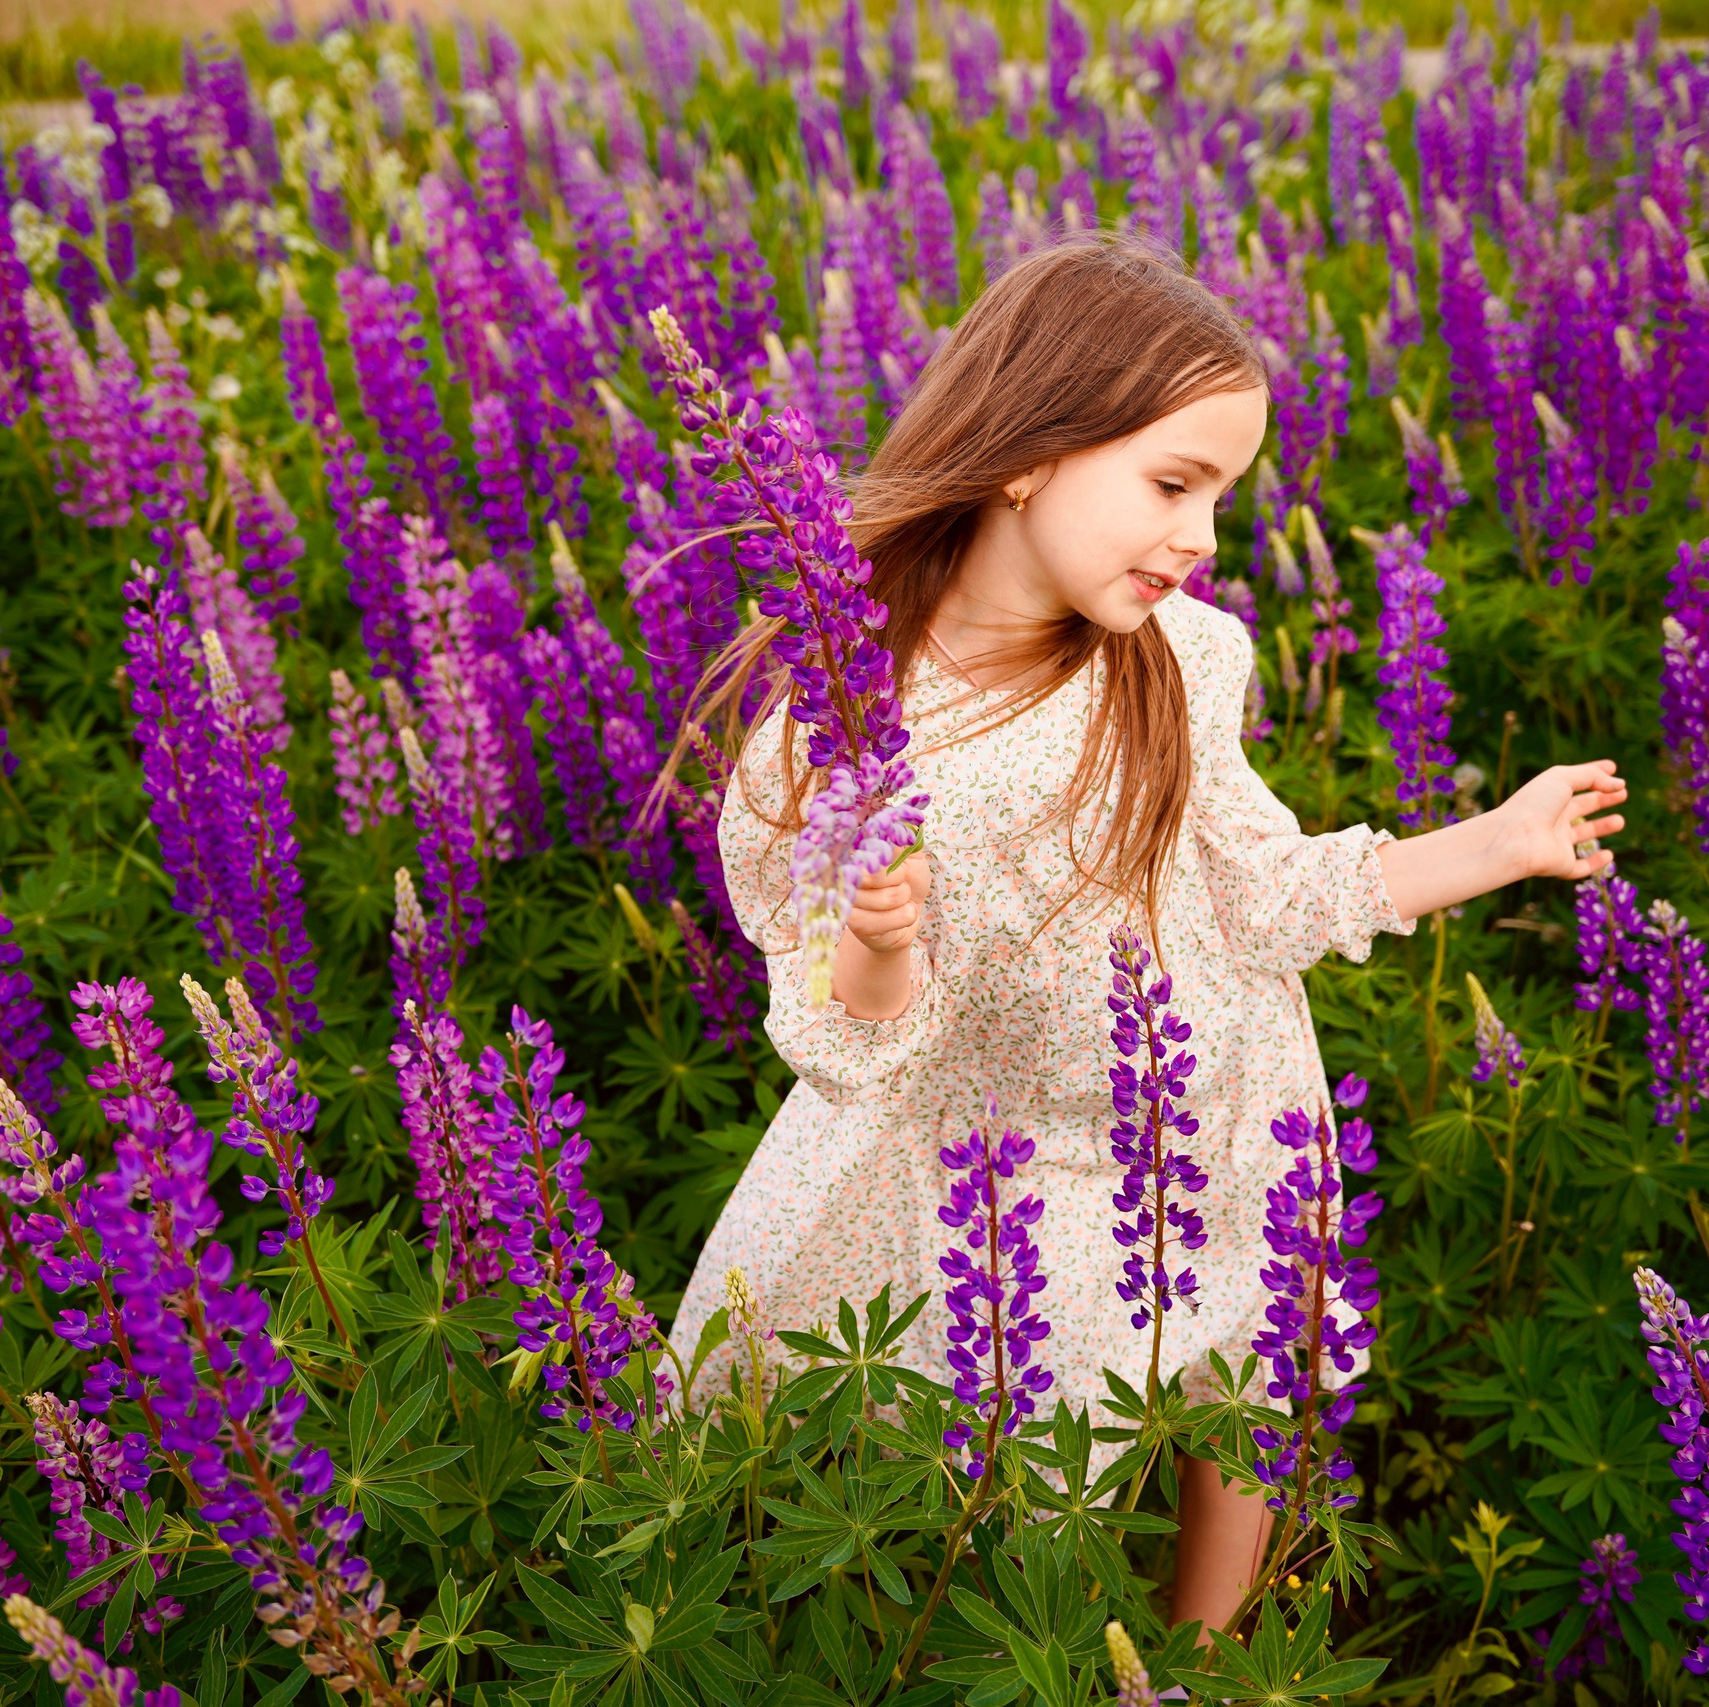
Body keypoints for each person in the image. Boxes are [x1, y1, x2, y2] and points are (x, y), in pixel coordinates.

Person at [666, 236, 1627, 1635]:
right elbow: (852, 1038)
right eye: (1174, 484)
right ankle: (1043, 1651)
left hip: (1228, 1111)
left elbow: (1258, 891)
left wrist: (1497, 846)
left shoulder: (1175, 661)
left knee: (1251, 1372)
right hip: (1020, 1171)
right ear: (1025, 452)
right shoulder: (839, 728)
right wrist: (879, 936)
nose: (1205, 537)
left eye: (1222, 495)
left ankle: (1200, 1654)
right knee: (1024, 1478)